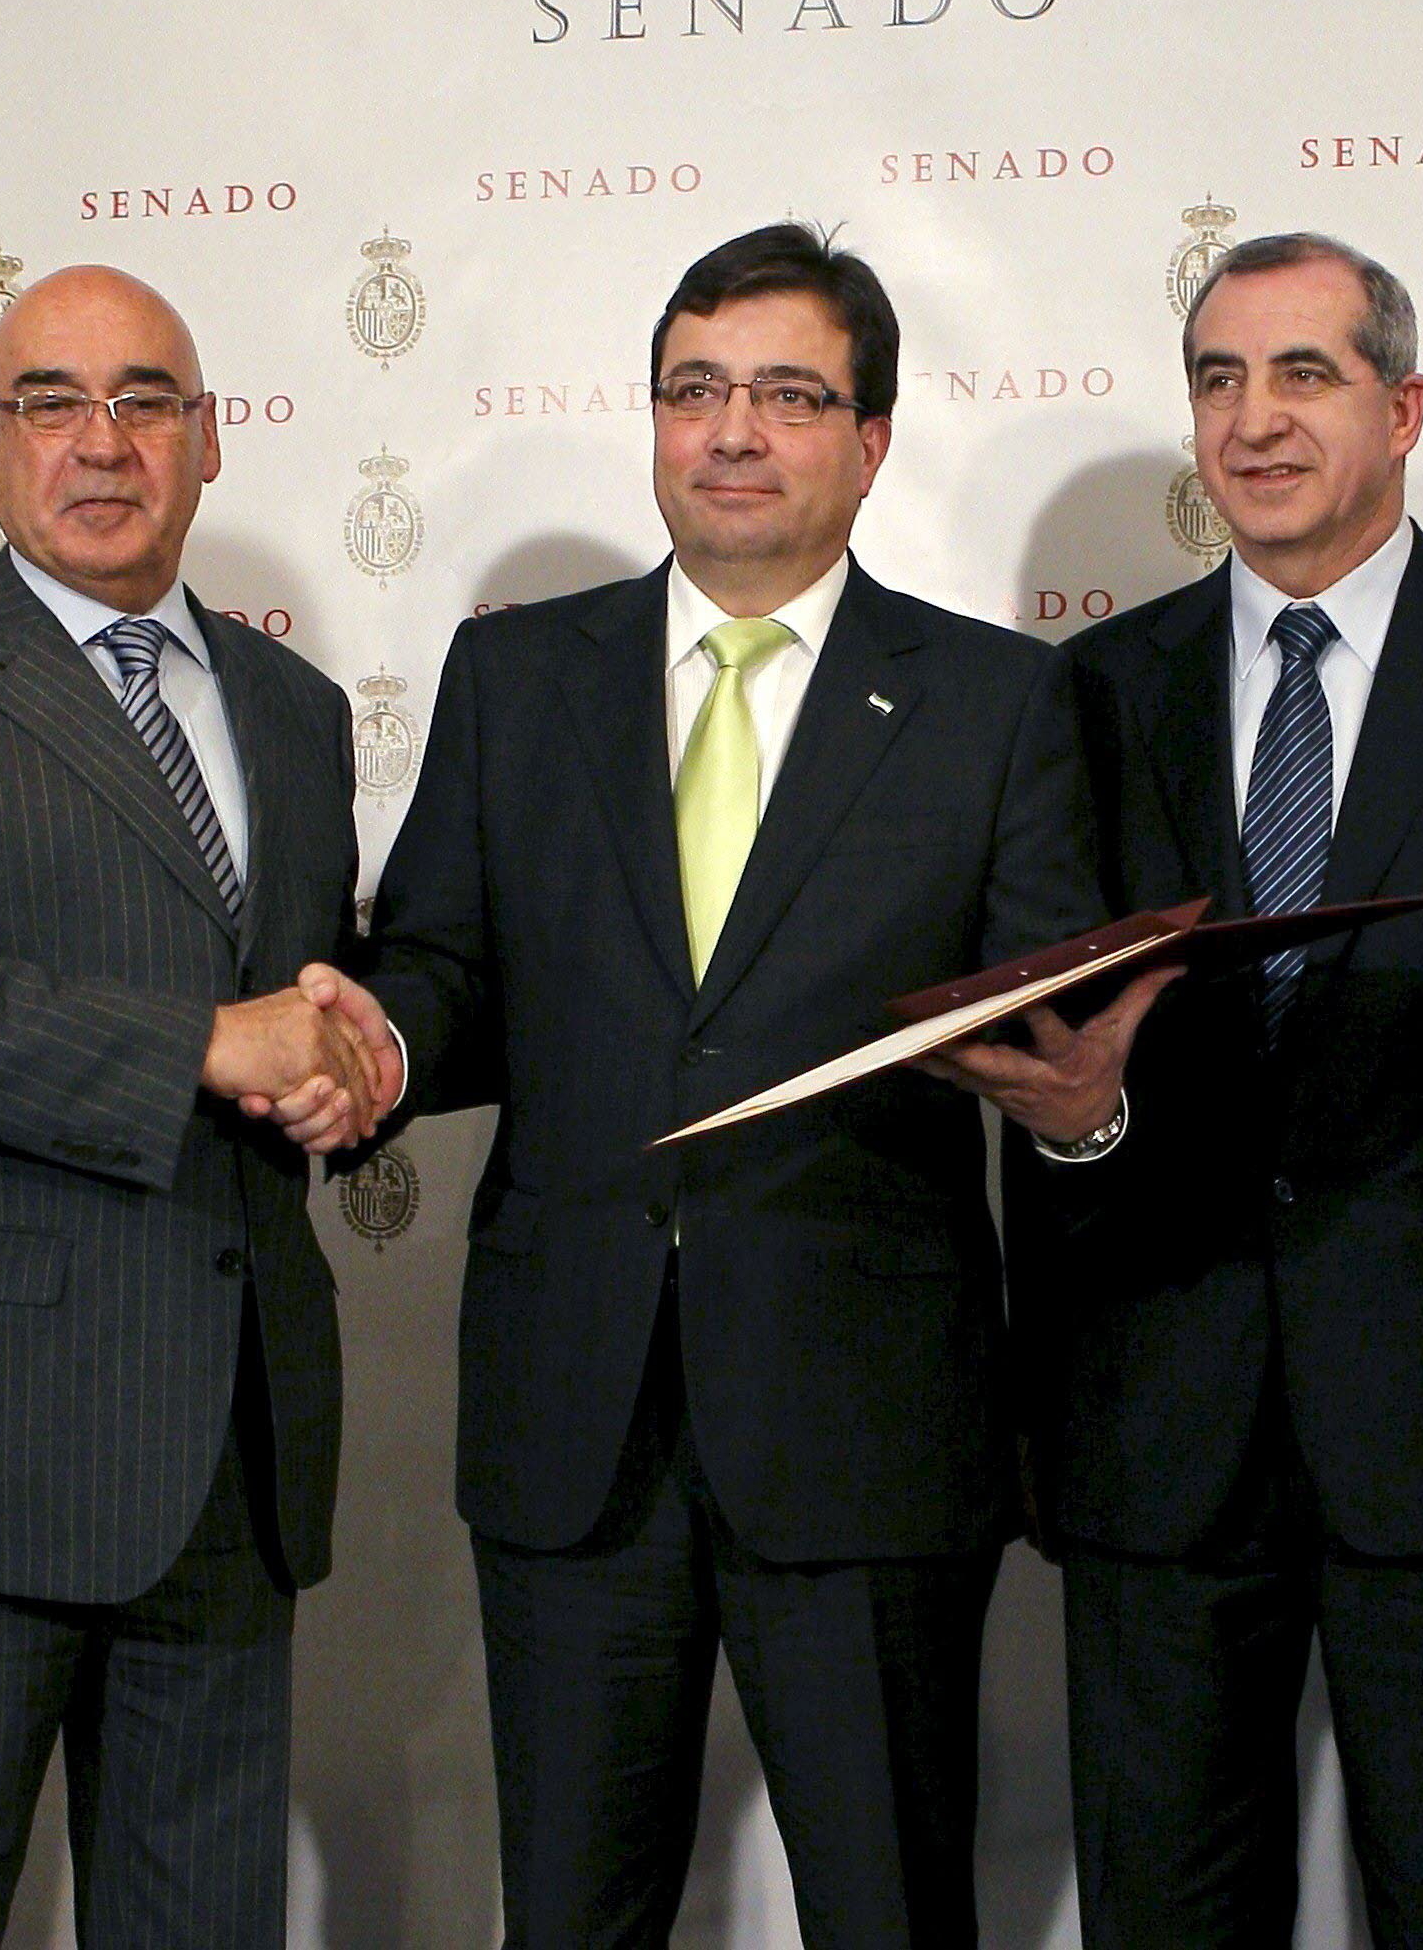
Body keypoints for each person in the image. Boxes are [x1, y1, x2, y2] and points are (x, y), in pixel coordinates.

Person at [316, 221, 1142, 1946]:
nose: (734, 432)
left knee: (888, 1908)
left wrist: (1089, 1119)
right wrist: (376, 1041)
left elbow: (1059, 1033)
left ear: (870, 438)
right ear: (653, 421)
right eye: (695, 390)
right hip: (573, 1422)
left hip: (865, 1427)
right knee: (568, 1912)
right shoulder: (517, 673)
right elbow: (452, 969)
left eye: (785, 392)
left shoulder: (997, 701)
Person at [0, 263, 377, 1948]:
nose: (100, 444)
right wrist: (203, 1040)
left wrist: (354, 1058)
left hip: (228, 1479)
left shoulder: (296, 714)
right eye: (50, 401)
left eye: (145, 401)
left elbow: (305, 1004)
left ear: (210, 439)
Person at [1002, 233, 1423, 1947]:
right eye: (1216, 378)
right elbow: (1056, 1076)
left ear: (1405, 406)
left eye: (1302, 374)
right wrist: (1042, 1398)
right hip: (1152, 1426)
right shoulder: (1089, 692)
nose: (1252, 421)